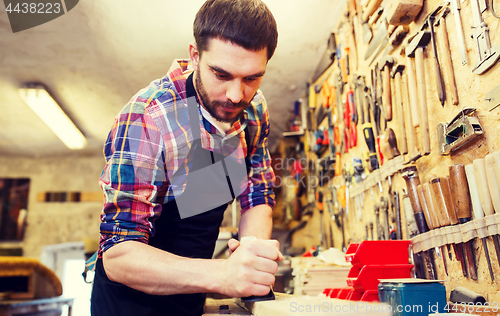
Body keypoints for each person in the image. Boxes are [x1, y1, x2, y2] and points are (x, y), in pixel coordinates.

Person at [89, 0, 282, 315]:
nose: (236, 95)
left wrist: (251, 254)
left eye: (251, 78)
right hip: (129, 302)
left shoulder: (253, 108)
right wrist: (224, 274)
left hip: (192, 297)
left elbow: (257, 193)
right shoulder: (149, 118)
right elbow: (118, 255)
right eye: (221, 74)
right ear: (195, 56)